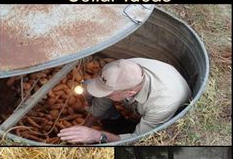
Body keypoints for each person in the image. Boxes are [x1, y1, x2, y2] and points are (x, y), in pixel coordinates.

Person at [58, 58, 191, 144]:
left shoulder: (162, 103)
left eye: (108, 93)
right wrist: (86, 126)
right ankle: (115, 120)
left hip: (171, 111)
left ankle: (122, 127)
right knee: (87, 85)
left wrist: (97, 136)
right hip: (145, 93)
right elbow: (103, 97)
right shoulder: (125, 67)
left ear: (129, 93)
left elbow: (140, 138)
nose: (103, 95)